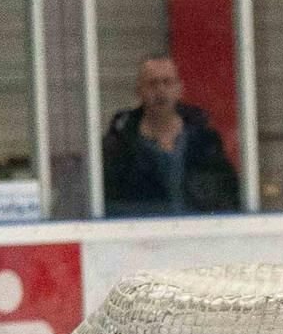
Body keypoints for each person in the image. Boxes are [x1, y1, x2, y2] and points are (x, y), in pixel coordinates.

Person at [100, 54, 239, 218]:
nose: (160, 90)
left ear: (180, 89)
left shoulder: (205, 142)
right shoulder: (120, 146)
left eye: (167, 82)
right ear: (139, 91)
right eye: (152, 84)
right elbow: (109, 203)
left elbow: (228, 195)